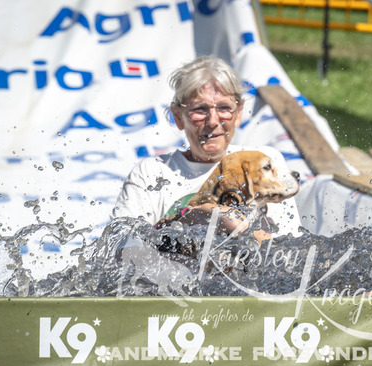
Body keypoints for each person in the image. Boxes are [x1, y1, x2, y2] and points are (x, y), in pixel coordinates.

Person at [112, 55, 302, 242]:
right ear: (178, 116)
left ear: (238, 113)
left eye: (224, 108)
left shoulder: (262, 162)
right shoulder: (151, 174)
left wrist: (236, 226)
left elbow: (288, 248)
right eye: (199, 109)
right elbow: (120, 247)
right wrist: (193, 217)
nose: (212, 121)